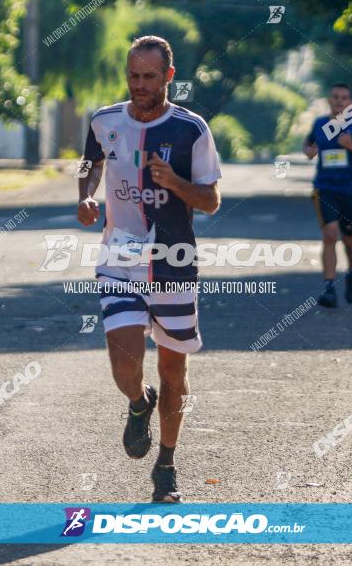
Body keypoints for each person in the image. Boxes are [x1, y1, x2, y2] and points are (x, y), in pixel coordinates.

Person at [76, 35, 222, 503]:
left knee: (173, 370)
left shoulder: (191, 130)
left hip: (174, 260)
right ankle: (139, 403)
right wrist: (86, 194)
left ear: (169, 78)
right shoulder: (104, 121)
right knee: (123, 363)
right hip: (120, 256)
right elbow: (91, 163)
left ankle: (166, 466)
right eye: (133, 76)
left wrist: (174, 182)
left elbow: (211, 201)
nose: (139, 86)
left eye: (149, 77)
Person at [303, 83, 352, 308]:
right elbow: (308, 143)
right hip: (324, 189)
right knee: (329, 234)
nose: (339, 101)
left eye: (344, 98)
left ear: (350, 103)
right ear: (329, 99)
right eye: (335, 97)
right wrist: (309, 151)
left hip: (351, 191)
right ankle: (329, 287)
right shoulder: (319, 124)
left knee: (349, 240)